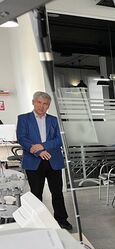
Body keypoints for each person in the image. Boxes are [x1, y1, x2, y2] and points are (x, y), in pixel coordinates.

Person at [16, 91, 72, 230]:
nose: (42, 106)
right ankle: (37, 222)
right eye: (39, 102)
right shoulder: (23, 119)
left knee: (57, 193)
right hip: (33, 161)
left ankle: (62, 220)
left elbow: (60, 139)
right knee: (36, 194)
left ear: (48, 105)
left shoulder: (54, 120)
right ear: (33, 102)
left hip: (53, 160)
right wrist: (39, 152)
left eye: (45, 104)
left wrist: (43, 146)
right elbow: (22, 138)